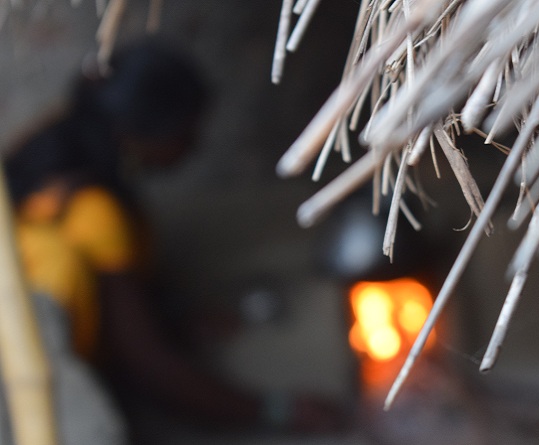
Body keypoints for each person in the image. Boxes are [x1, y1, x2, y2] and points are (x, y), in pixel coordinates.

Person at [3, 38, 340, 438]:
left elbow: (118, 308)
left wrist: (173, 318)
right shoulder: (93, 212)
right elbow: (148, 364)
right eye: (186, 131)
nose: (195, 145)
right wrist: (276, 409)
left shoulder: (53, 147)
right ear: (140, 132)